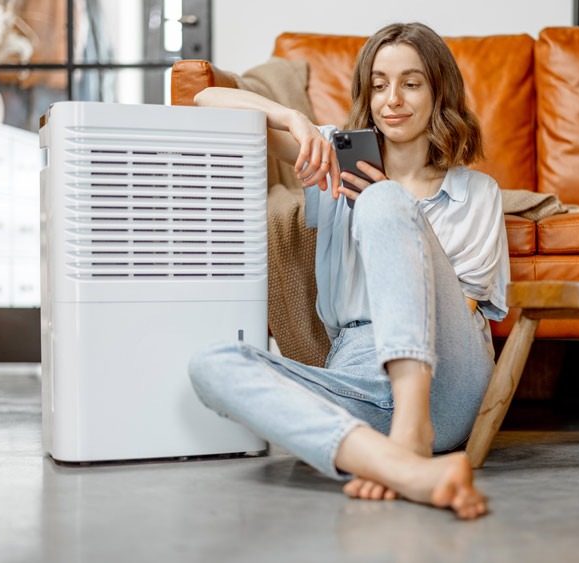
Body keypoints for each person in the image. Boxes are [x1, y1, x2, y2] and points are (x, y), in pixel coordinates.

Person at [189, 22, 509, 520]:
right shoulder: (333, 160)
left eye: (411, 82)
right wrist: (293, 119)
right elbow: (205, 102)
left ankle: (409, 432)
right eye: (379, 84)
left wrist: (393, 206)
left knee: (383, 200)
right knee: (212, 365)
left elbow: (460, 309)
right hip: (355, 372)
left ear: (438, 89)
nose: (392, 100)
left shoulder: (477, 191)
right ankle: (400, 467)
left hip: (445, 379)